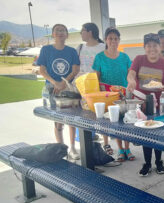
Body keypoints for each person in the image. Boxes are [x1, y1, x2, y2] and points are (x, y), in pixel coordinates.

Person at [127, 33, 164, 176]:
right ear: (144, 47)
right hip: (142, 104)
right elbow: (131, 74)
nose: (152, 48)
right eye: (148, 46)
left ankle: (159, 161)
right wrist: (131, 81)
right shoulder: (139, 59)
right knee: (145, 134)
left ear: (160, 47)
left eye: (155, 45)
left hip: (160, 104)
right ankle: (147, 163)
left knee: (158, 133)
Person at [37, 24, 80, 158]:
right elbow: (42, 70)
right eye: (57, 30)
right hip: (52, 88)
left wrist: (64, 82)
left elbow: (75, 69)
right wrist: (55, 82)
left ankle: (73, 148)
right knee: (58, 120)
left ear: (67, 34)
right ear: (53, 34)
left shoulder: (71, 51)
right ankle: (62, 149)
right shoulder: (46, 50)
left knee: (72, 119)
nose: (60, 33)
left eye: (63, 30)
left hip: (68, 89)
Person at [92, 27, 135, 162]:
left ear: (119, 41)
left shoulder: (125, 57)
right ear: (106, 40)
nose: (113, 41)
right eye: (110, 38)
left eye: (116, 38)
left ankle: (127, 148)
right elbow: (96, 78)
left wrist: (131, 84)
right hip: (107, 95)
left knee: (125, 122)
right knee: (111, 122)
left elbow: (131, 74)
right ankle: (118, 148)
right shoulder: (99, 57)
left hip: (123, 94)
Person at [74, 22, 111, 156]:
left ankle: (104, 144)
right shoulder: (80, 48)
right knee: (84, 117)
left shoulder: (102, 47)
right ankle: (88, 148)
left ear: (90, 32)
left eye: (82, 31)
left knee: (100, 117)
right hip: (82, 89)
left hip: (97, 88)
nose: (81, 34)